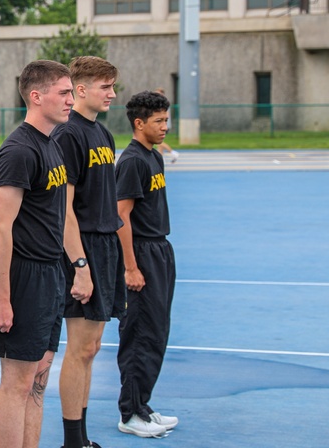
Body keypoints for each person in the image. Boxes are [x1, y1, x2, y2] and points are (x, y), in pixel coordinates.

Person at [0, 60, 73, 448]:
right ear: (36, 97)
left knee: (39, 378)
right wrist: (1, 297)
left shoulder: (51, 143)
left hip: (51, 273)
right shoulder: (19, 150)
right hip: (25, 279)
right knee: (19, 381)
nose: (72, 100)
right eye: (64, 93)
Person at [51, 56, 127, 448]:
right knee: (79, 349)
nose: (112, 94)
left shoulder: (104, 135)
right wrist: (80, 264)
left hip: (106, 244)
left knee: (92, 348)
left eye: (113, 86)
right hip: (84, 248)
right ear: (80, 89)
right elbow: (64, 208)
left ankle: (80, 438)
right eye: (105, 86)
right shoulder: (69, 135)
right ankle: (72, 440)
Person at [115, 91, 178, 438]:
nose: (165, 126)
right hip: (141, 254)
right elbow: (121, 216)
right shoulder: (132, 161)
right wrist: (131, 267)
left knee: (156, 332)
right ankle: (129, 412)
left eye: (166, 120)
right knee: (139, 334)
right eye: (159, 121)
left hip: (160, 250)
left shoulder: (154, 158)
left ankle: (142, 405)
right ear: (139, 124)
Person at [152, 88, 178, 163]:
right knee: (159, 144)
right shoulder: (160, 103)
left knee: (158, 142)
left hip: (163, 125)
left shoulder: (163, 104)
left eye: (158, 94)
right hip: (162, 124)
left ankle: (173, 152)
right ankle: (160, 158)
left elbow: (166, 115)